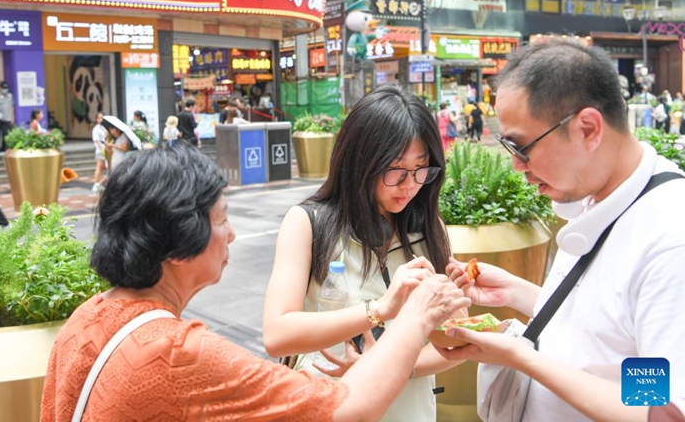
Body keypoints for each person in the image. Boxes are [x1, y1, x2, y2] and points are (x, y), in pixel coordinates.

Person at [39, 146, 470, 421]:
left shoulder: (88, 316)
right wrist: (413, 317)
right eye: (222, 220)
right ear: (174, 242)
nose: (232, 234)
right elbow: (345, 408)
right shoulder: (180, 352)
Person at [438, 38, 685, 421]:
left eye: (522, 147)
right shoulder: (599, 195)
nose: (517, 167)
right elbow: (610, 333)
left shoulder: (669, 237)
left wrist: (522, 358)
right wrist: (519, 293)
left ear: (588, 129)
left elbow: (659, 405)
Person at [263, 86, 466, 421]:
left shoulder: (428, 227)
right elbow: (277, 334)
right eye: (396, 171)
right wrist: (379, 310)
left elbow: (459, 342)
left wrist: (390, 363)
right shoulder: (308, 223)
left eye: (421, 169)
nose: (409, 185)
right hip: (328, 405)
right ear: (360, 161)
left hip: (409, 410)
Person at [0, 81, 14, 157]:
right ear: (0, 88)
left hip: (7, 118)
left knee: (6, 134)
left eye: (6, 88)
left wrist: (12, 117)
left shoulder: (10, 96)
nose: (5, 89)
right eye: (3, 88)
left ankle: (4, 149)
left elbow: (11, 107)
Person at [91, 113, 108, 193]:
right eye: (99, 118)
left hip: (107, 149)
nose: (101, 119)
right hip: (100, 150)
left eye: (102, 118)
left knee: (107, 167)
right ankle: (96, 183)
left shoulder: (105, 128)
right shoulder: (96, 129)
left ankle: (102, 184)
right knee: (100, 166)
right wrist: (102, 149)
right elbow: (97, 141)